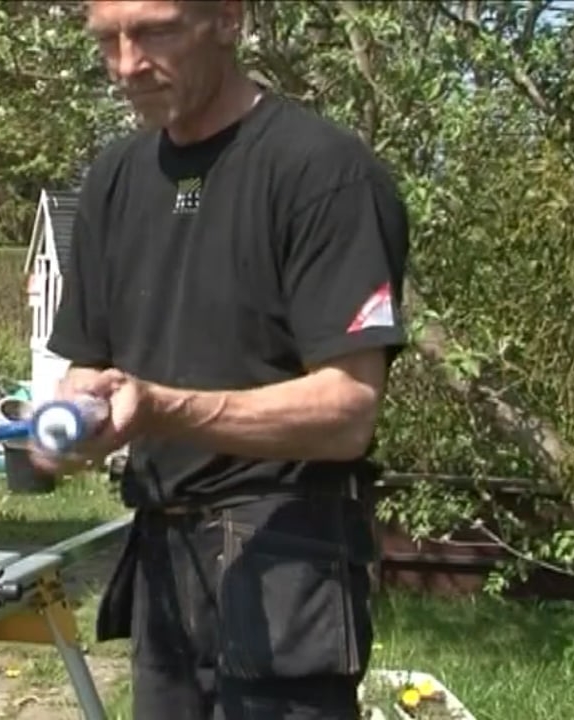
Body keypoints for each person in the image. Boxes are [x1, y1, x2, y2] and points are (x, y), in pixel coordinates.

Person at [32, 1, 411, 718]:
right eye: (108, 40)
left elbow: (348, 412)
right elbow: (87, 365)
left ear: (229, 20)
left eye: (154, 31)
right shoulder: (115, 178)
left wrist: (161, 409)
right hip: (163, 552)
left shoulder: (323, 172)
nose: (126, 65)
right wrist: (65, 426)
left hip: (288, 549)